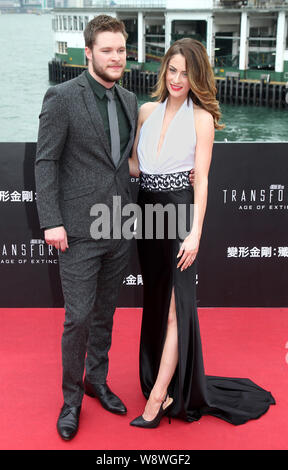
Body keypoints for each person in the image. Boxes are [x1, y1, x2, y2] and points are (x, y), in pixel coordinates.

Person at [128, 38, 275, 428]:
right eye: (172, 70)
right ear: (164, 72)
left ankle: (158, 398)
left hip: (179, 213)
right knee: (158, 300)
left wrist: (195, 234)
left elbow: (203, 181)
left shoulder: (201, 118)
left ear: (198, 77)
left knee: (179, 305)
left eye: (186, 72)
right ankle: (164, 378)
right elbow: (133, 166)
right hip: (148, 214)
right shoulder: (145, 112)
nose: (178, 79)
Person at [35, 15, 139, 441]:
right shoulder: (61, 97)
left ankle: (98, 379)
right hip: (77, 230)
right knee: (77, 317)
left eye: (121, 50)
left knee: (104, 313)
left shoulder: (130, 100)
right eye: (108, 50)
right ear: (89, 52)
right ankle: (71, 399)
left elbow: (125, 162)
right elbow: (45, 161)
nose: (116, 58)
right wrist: (52, 221)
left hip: (120, 224)